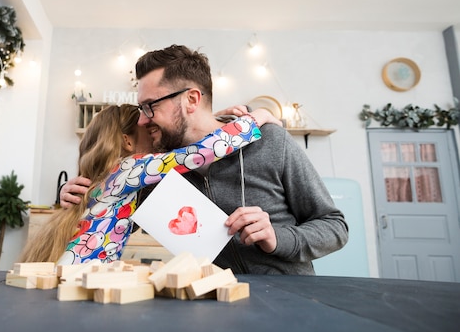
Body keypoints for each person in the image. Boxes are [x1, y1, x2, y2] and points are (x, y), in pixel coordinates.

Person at [61, 44, 348, 275]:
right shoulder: (156, 170)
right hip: (214, 305)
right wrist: (77, 197)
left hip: (289, 304)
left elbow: (334, 226)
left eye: (150, 106)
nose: (142, 119)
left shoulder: (271, 142)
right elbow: (117, 220)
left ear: (191, 100)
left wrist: (278, 238)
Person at [19, 103, 268, 265]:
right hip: (79, 277)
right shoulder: (129, 168)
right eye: (149, 133)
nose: (155, 138)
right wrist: (259, 117)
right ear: (128, 142)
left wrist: (213, 118)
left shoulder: (108, 177)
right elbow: (202, 151)